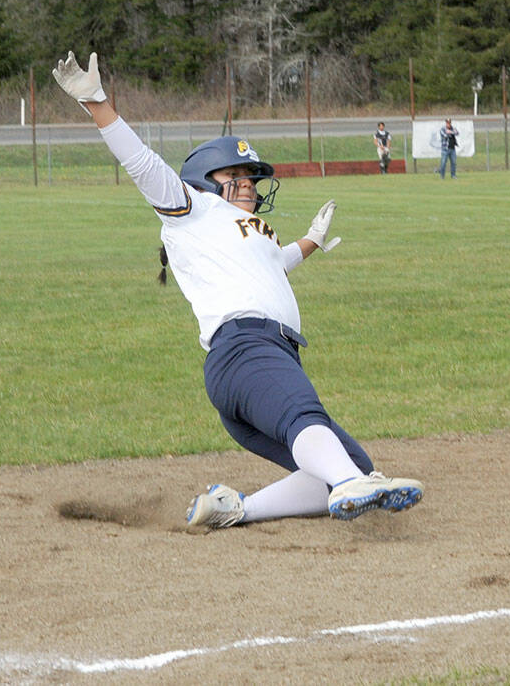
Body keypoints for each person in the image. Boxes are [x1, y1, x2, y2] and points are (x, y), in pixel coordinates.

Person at [52, 51, 424, 530]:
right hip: (246, 349)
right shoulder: (194, 209)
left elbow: (272, 267)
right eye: (237, 176)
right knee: (318, 436)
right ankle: (351, 486)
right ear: (206, 181)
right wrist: (98, 104)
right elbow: (142, 163)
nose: (249, 185)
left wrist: (309, 242)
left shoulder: (246, 231)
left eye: (251, 178)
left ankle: (237, 508)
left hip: (260, 363)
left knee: (351, 461)